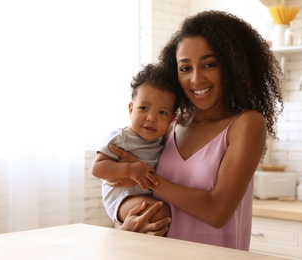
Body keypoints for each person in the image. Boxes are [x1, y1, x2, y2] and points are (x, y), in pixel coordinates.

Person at [106, 10, 284, 251]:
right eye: (185, 68)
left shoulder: (247, 124)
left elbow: (216, 211)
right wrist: (127, 228)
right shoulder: (170, 125)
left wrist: (147, 177)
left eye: (209, 64)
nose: (196, 79)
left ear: (232, 66)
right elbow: (123, 186)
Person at [91, 63, 180, 231]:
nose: (151, 118)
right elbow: (97, 168)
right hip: (122, 198)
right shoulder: (121, 137)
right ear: (131, 109)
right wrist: (129, 170)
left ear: (171, 119)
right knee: (161, 212)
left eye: (162, 113)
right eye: (144, 108)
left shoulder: (161, 141)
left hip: (144, 195)